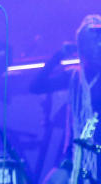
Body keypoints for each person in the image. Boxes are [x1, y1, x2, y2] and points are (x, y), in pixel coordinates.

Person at [35, 14, 101, 184]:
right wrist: (57, 57)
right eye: (92, 41)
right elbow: (36, 86)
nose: (97, 46)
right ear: (83, 46)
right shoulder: (73, 76)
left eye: (99, 40)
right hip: (74, 154)